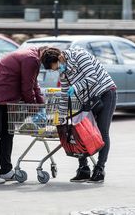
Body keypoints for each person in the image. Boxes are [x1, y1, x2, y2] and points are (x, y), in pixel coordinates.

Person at [40, 47, 117, 183]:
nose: (58, 70)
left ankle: (99, 169)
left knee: (102, 131)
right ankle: (83, 169)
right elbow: (64, 96)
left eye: (57, 67)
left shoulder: (80, 55)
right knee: (80, 132)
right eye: (56, 69)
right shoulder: (64, 73)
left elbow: (92, 78)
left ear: (60, 58)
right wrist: (62, 117)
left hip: (105, 93)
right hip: (87, 100)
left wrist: (75, 87)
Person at [0, 47, 45, 184]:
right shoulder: (31, 59)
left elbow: (34, 85)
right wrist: (33, 108)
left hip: (3, 94)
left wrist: (41, 106)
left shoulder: (33, 57)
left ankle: (6, 170)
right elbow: (26, 88)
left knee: (8, 131)